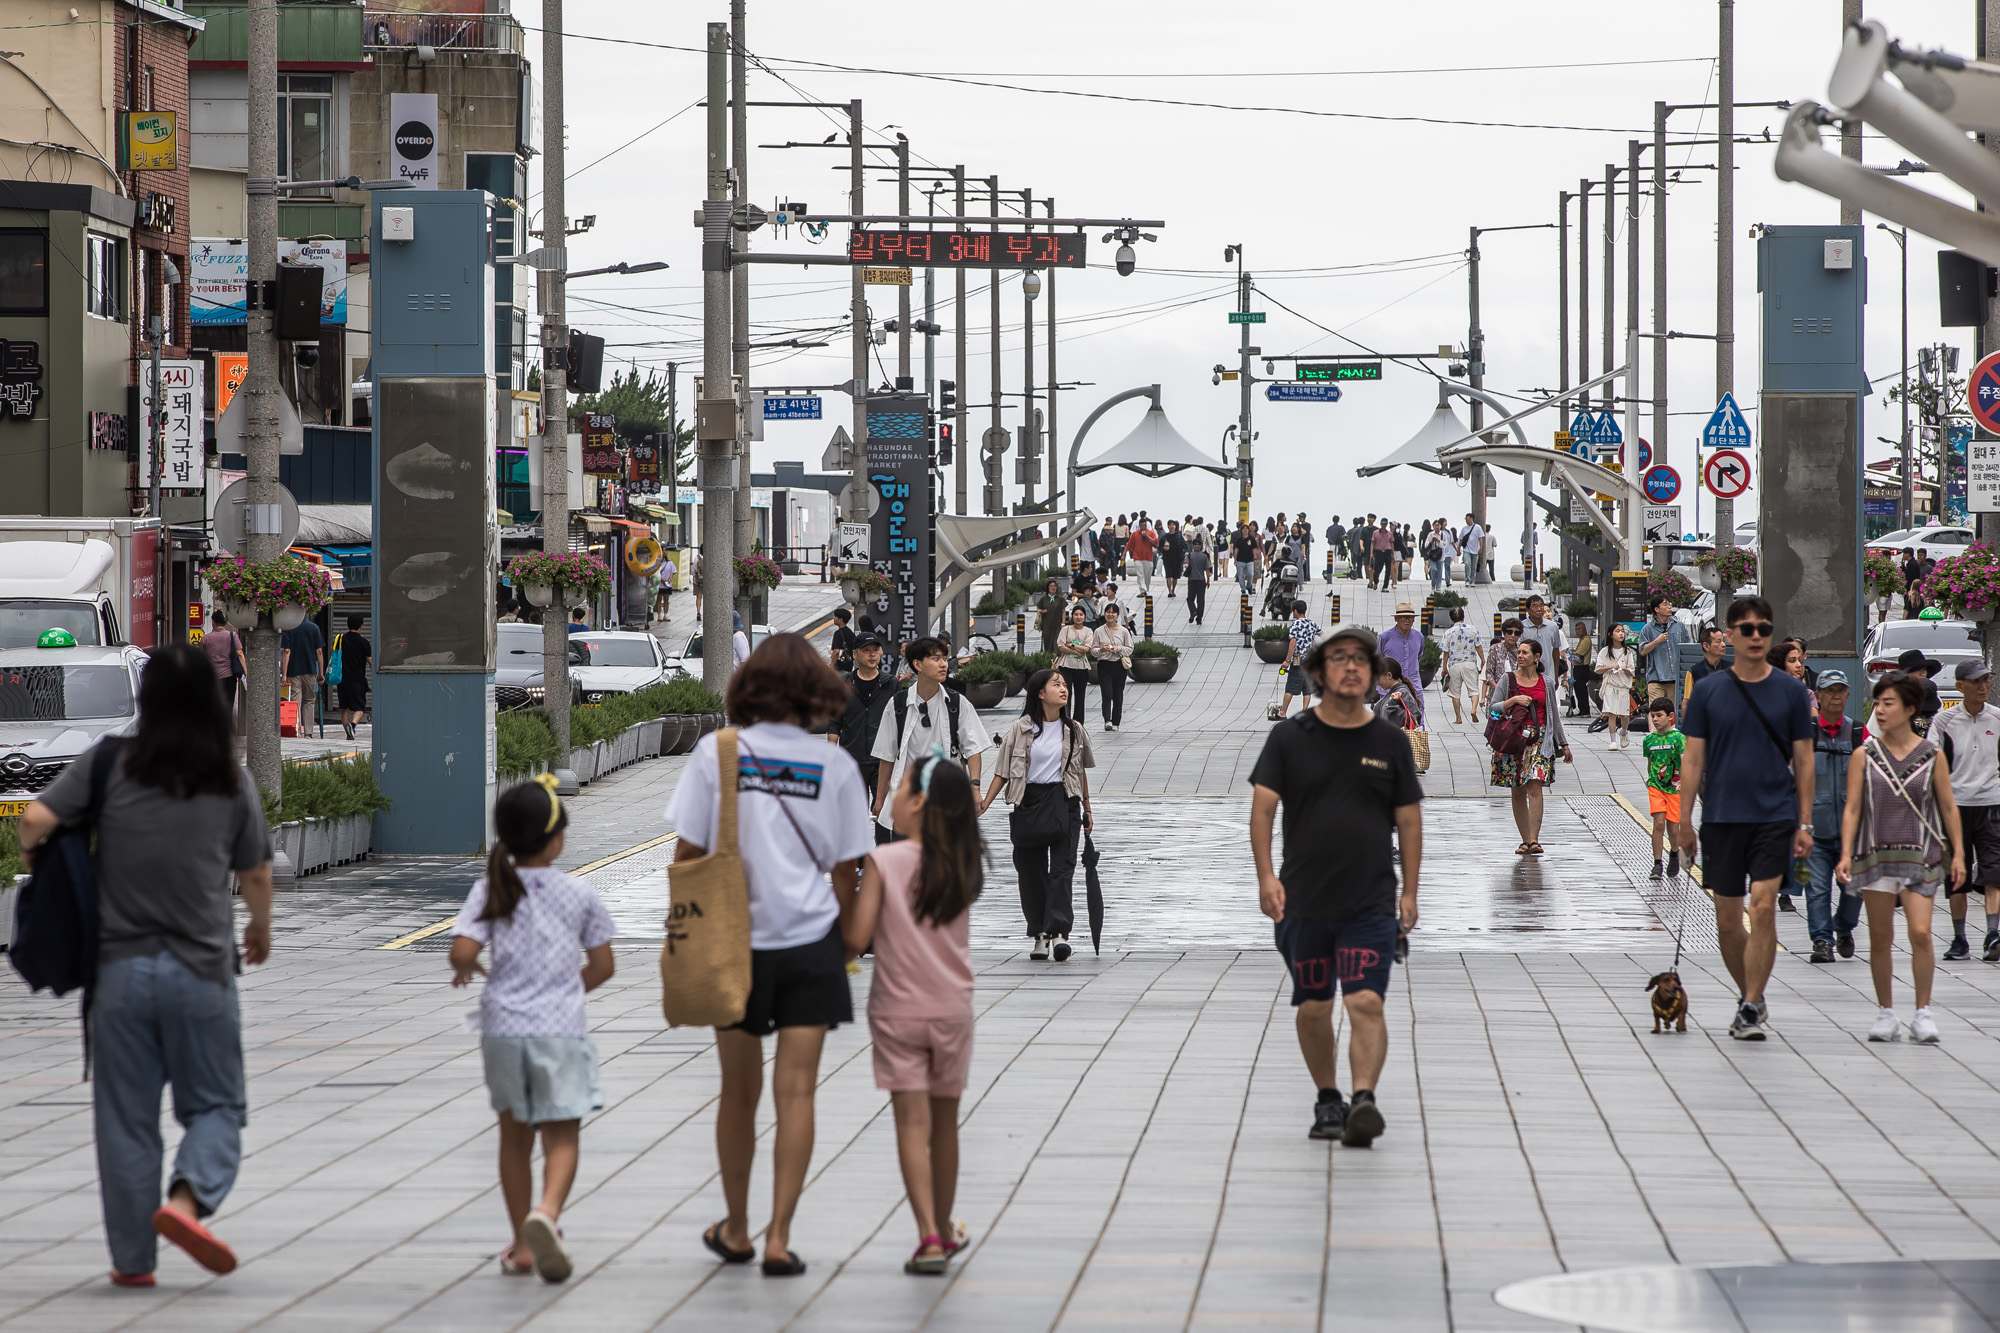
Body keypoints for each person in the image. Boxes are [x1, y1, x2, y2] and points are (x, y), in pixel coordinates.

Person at [17, 643, 273, 1287]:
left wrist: (43, 861)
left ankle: (133, 1263)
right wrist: (259, 927)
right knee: (216, 1106)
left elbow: (35, 819)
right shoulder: (229, 777)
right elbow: (255, 872)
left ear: (145, 699)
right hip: (202, 972)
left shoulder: (109, 764)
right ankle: (186, 1204)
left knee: (126, 1122)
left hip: (119, 975)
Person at [669, 634, 875, 1276]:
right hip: (811, 942)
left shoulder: (718, 753)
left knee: (738, 1093)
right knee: (798, 1093)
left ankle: (736, 1229)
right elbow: (847, 869)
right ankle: (781, 1238)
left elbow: (687, 853)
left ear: (750, 685)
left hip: (734, 943)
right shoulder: (834, 766)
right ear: (816, 690)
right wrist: (846, 941)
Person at [1250, 625, 1422, 1145]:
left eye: (1361, 661)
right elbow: (1263, 810)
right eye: (1339, 659)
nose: (1351, 667)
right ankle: (1328, 1098)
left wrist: (1409, 892)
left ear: (1372, 674)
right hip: (1303, 901)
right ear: (1319, 674)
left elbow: (1409, 820)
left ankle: (1363, 1099)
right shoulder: (1289, 738)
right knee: (1314, 1005)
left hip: (1370, 902)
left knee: (1365, 1001)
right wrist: (1266, 877)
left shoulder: (1389, 741)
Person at [448, 776, 615, 1283]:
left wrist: (468, 967)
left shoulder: (491, 888)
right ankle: (547, 1212)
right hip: (559, 1029)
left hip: (502, 1030)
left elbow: (462, 951)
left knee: (513, 1138)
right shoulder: (578, 892)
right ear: (556, 840)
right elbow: (604, 965)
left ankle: (522, 1246)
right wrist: (565, 992)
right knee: (562, 1134)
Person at [843, 753, 985, 1275]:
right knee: (945, 1126)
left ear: (920, 802)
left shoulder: (885, 861)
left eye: (900, 787)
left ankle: (927, 1236)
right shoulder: (963, 862)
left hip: (897, 1012)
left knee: (910, 1124)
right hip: (952, 1010)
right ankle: (944, 1229)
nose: (892, 798)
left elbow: (858, 939)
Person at [1676, 596, 1816, 1041]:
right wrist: (1683, 821)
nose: (1757, 636)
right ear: (1730, 635)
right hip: (1722, 816)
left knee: (1763, 906)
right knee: (1727, 920)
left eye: (1764, 629)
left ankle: (1752, 1003)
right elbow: (1692, 759)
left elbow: (1804, 760)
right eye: (1748, 629)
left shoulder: (1791, 692)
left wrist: (1805, 823)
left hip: (1775, 815)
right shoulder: (1709, 691)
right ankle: (1748, 994)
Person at [1837, 671, 1964, 1044]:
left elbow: (1948, 807)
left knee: (1920, 932)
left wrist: (1958, 854)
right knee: (1880, 937)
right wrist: (1845, 853)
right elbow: (1853, 808)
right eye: (1877, 702)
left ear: (1910, 709)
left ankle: (1923, 1011)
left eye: (1888, 703)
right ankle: (1886, 1012)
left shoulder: (1932, 755)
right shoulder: (1864, 755)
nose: (1879, 710)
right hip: (1874, 855)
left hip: (1921, 856)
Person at [981, 670, 1095, 962]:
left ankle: (1059, 933)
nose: (1063, 689)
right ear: (1040, 693)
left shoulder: (1074, 730)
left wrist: (1087, 808)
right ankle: (1040, 934)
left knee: (1062, 870)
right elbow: (1003, 771)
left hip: (1065, 803)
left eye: (1065, 685)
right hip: (1029, 803)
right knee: (1030, 873)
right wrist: (985, 802)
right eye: (1056, 685)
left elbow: (1079, 771)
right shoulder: (1020, 729)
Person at [873, 638, 990, 832]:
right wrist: (880, 799)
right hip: (908, 800)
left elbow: (973, 748)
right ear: (918, 664)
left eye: (944, 658)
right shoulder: (898, 705)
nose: (943, 664)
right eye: (935, 659)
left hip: (946, 799)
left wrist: (975, 787)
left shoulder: (957, 703)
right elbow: (887, 755)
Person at [1935, 658, 2000, 962]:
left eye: (1986, 680)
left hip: (1991, 804)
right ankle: (1959, 937)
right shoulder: (1943, 722)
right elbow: (1933, 762)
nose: (1983, 686)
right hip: (1955, 806)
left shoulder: (1997, 718)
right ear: (1960, 686)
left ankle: (1993, 933)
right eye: (1975, 681)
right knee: (1956, 874)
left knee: (1994, 870)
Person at [1488, 638, 1572, 855]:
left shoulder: (1547, 682)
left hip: (1539, 739)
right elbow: (1493, 710)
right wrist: (1512, 701)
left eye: (1525, 652)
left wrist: (1563, 743)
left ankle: (1534, 839)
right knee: (1517, 790)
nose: (1520, 656)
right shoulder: (1507, 680)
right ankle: (1525, 840)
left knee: (1534, 785)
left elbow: (1554, 715)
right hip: (1512, 739)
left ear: (1537, 657)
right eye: (1519, 652)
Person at [1804, 671, 1862, 964]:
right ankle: (1822, 942)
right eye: (1830, 690)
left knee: (1854, 890)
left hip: (1853, 834)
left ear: (1848, 694)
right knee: (1816, 890)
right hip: (1814, 831)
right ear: (1818, 695)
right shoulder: (1805, 733)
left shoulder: (1858, 733)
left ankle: (1844, 927)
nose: (1836, 695)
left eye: (1841, 690)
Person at [830, 635, 898, 844]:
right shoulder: (844, 684)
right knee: (853, 815)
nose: (872, 655)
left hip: (883, 760)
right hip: (852, 758)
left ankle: (883, 856)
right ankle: (857, 857)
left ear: (881, 653)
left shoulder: (890, 684)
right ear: (855, 654)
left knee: (883, 813)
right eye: (866, 650)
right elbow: (835, 722)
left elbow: (900, 720)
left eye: (875, 650)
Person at [1643, 697, 1686, 879]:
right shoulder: (1649, 740)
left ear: (1670, 717)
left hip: (1675, 787)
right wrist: (1649, 780)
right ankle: (1657, 864)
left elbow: (1684, 761)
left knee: (1673, 828)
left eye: (1659, 715)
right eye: (1652, 716)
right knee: (1659, 823)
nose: (1655, 719)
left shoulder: (1678, 738)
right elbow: (1650, 763)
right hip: (1656, 785)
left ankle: (1674, 854)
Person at [1637, 596, 1692, 708]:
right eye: (1665, 604)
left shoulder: (1679, 626)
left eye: (1669, 604)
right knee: (1657, 710)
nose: (1669, 607)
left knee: (1671, 712)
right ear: (1656, 609)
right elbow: (1642, 651)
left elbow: (1688, 646)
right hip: (1656, 678)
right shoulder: (1647, 629)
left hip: (1675, 678)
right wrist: (1657, 641)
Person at [1093, 603, 1136, 732]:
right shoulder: (1099, 631)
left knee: (1118, 694)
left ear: (1117, 615)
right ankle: (1107, 720)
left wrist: (1119, 648)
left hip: (1119, 665)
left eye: (1113, 612)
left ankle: (1116, 721)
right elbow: (1093, 651)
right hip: (1104, 665)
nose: (1110, 614)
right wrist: (1101, 649)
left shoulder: (1123, 631)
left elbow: (1130, 648)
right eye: (1108, 612)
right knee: (1106, 693)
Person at [1594, 623, 1637, 750]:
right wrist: (1611, 666)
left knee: (1624, 715)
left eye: (1622, 631)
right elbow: (1598, 669)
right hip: (1610, 685)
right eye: (1617, 631)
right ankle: (1613, 741)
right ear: (1610, 634)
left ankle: (1623, 732)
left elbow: (1632, 670)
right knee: (1611, 714)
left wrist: (1624, 668)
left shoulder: (1627, 652)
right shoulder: (1605, 651)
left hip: (1623, 686)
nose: (1621, 634)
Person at [1438, 608, 1484, 725]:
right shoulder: (1472, 629)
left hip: (1455, 665)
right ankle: (1473, 710)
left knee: (1455, 692)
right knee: (1474, 690)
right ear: (1464, 617)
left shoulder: (1448, 633)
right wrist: (1483, 660)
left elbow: (1446, 651)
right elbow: (1478, 646)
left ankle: (1458, 718)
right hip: (1470, 663)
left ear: (1451, 618)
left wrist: (1444, 668)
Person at [1278, 598, 1322, 719]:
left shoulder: (1295, 624)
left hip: (1298, 659)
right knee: (1307, 689)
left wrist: (1287, 661)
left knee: (1290, 687)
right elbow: (1323, 635)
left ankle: (1283, 712)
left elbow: (1293, 643)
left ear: (1296, 611)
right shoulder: (1312, 624)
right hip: (1310, 660)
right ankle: (1304, 711)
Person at [279, 613, 325, 729]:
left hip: (293, 671)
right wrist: (321, 673)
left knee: (295, 702)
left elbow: (286, 652)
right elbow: (319, 651)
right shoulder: (314, 628)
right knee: (309, 701)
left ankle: (297, 729)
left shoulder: (289, 629)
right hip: (310, 670)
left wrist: (284, 674)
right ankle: (308, 732)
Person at [201, 608, 246, 718]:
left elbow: (201, 658)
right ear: (225, 622)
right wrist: (245, 670)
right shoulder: (232, 636)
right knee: (228, 706)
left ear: (213, 622)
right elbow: (240, 653)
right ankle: (226, 726)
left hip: (212, 678)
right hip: (229, 677)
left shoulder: (205, 639)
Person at [1055, 606, 1096, 724]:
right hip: (1066, 666)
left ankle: (1078, 723)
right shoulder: (1066, 629)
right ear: (1072, 616)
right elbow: (1061, 646)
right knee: (1065, 694)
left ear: (1084, 616)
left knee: (1080, 696)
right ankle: (1065, 719)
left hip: (1081, 667)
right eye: (1076, 614)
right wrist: (1076, 652)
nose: (1078, 617)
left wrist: (1072, 645)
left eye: (1081, 615)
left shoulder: (1088, 631)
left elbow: (1087, 648)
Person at [333, 613, 371, 740]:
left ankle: (349, 734)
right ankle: (352, 726)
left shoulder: (340, 640)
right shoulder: (364, 643)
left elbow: (334, 656)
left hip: (342, 679)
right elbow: (370, 662)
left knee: (345, 708)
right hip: (357, 680)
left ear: (347, 625)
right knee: (360, 708)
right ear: (361, 626)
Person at [1378, 603, 1423, 700]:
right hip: (1390, 687)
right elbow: (1378, 660)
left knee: (1417, 709)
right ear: (1396, 619)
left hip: (1414, 686)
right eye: (1403, 618)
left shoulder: (1418, 637)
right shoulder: (1385, 637)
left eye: (1410, 618)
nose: (1407, 621)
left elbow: (1418, 656)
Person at [1895, 648, 1944, 735]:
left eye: (1924, 669)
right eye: (1916, 670)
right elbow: (1875, 732)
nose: (1923, 673)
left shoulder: (1934, 698)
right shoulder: (1892, 699)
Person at [1518, 596, 1564, 675]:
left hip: (1548, 675)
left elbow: (1556, 651)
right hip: (1528, 676)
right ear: (1528, 610)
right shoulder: (1521, 628)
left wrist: (1555, 675)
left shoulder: (1552, 626)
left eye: (1541, 605)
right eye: (1535, 606)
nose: (1539, 609)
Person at [1373, 659, 1421, 729]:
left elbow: (1413, 720)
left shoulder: (1403, 693)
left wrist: (1392, 705)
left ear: (1389, 675)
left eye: (1378, 678)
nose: (1377, 683)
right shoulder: (1392, 693)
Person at [1483, 618, 1523, 703]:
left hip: (1517, 695)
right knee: (1496, 712)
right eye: (1509, 632)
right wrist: (1498, 690)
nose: (1513, 635)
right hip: (1497, 696)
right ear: (1504, 633)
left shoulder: (1521, 650)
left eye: (1516, 633)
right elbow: (1489, 673)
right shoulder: (1495, 648)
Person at [1686, 623, 1728, 697]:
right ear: (1706, 646)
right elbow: (1687, 700)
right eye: (1718, 641)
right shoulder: (1693, 672)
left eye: (1723, 641)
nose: (1723, 645)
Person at [1567, 622, 1596, 718]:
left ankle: (1584, 711)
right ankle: (1582, 710)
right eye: (1576, 629)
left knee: (1581, 690)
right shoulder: (1582, 639)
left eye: (1579, 629)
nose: (1577, 631)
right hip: (1578, 668)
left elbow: (1578, 655)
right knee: (1578, 689)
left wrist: (1572, 654)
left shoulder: (1586, 640)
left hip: (1582, 668)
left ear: (1585, 629)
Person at [1126, 520, 1158, 598]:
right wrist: (1124, 555)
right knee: (1140, 575)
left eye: (1145, 525)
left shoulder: (1151, 533)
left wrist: (1147, 536)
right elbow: (1129, 545)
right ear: (1139, 525)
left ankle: (1145, 589)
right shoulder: (1134, 534)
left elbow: (1155, 543)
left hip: (1148, 557)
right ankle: (1142, 590)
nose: (1144, 527)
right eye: (1142, 525)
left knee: (1147, 575)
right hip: (1138, 557)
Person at [1185, 535, 1211, 626]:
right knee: (1201, 600)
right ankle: (1199, 619)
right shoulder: (1204, 557)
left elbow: (1186, 565)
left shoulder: (1189, 555)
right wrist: (1208, 581)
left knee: (1190, 599)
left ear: (1193, 546)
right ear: (1200, 547)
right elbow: (1207, 570)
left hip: (1192, 580)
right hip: (1201, 581)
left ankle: (1193, 611)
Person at [1035, 579, 1065, 658]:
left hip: (1057, 624)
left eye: (1055, 586)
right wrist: (1042, 611)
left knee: (1056, 642)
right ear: (1048, 588)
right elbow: (1038, 609)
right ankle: (1048, 658)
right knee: (1047, 642)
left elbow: (1063, 611)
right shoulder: (1043, 599)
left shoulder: (1060, 599)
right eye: (1051, 586)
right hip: (1046, 625)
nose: (1053, 588)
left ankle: (1057, 658)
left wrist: (1063, 623)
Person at [1161, 519, 1187, 599]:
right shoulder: (1165, 537)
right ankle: (1169, 591)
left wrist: (1186, 552)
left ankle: (1173, 590)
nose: (1171, 527)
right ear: (1168, 527)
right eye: (1170, 525)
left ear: (1175, 526)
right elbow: (1159, 546)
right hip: (1167, 558)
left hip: (1177, 558)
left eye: (1173, 525)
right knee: (1168, 575)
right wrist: (1163, 548)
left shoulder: (1179, 536)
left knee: (1175, 576)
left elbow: (1184, 545)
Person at [1231, 523, 1258, 595]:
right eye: (1243, 529)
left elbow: (1254, 549)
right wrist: (1235, 559)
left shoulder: (1251, 539)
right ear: (1241, 530)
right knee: (1241, 576)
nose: (1245, 530)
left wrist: (1255, 558)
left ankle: (1249, 586)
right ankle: (1243, 588)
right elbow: (1236, 550)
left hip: (1250, 560)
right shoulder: (1239, 539)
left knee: (1250, 574)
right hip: (1240, 560)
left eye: (1246, 529)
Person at [829, 607, 858, 673]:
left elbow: (836, 651)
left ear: (840, 619)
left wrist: (832, 666)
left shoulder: (838, 633)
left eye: (835, 617)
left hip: (840, 667)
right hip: (849, 666)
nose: (834, 618)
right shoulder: (850, 632)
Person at [1459, 514, 1484, 585]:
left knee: (1473, 566)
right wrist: (1458, 549)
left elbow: (1480, 538)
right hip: (1466, 549)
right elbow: (1460, 539)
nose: (1466, 521)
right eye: (1465, 519)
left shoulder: (1478, 527)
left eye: (1467, 519)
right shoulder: (1464, 529)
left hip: (1475, 550)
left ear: (1471, 519)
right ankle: (1467, 580)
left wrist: (1480, 548)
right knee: (1467, 564)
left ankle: (1472, 581)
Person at [1370, 521, 1396, 591]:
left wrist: (1393, 554)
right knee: (1377, 569)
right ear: (1380, 524)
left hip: (1387, 552)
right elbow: (1372, 543)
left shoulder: (1390, 533)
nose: (1384, 525)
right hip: (1379, 552)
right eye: (1383, 524)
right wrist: (1371, 553)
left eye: (1385, 524)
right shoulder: (1375, 533)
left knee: (1388, 570)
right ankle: (1375, 581)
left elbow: (1391, 544)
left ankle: (1385, 586)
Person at [1323, 518, 1346, 583]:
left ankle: (1331, 572)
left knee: (1331, 559)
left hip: (1331, 545)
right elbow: (1344, 536)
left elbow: (1327, 536)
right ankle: (1338, 572)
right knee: (1338, 559)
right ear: (1338, 520)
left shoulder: (1329, 528)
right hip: (1339, 545)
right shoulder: (1341, 528)